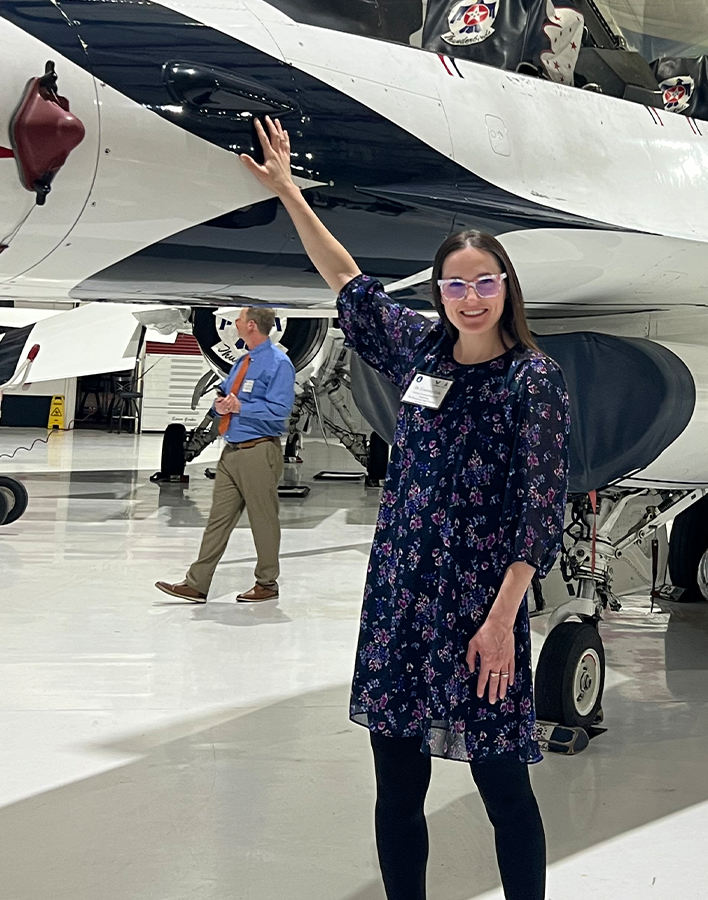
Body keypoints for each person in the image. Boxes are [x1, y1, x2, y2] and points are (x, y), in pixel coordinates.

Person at [240, 117, 569, 900]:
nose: (470, 298)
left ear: (507, 287)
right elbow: (346, 278)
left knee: (504, 787)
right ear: (438, 293)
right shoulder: (418, 350)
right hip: (400, 602)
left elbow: (539, 511)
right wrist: (289, 191)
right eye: (455, 284)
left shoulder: (534, 379)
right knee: (396, 788)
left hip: (481, 611)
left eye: (484, 282)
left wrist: (502, 623)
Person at [155, 307, 296, 601]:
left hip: (258, 451)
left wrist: (241, 407)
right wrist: (220, 405)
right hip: (231, 452)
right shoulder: (243, 361)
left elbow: (280, 411)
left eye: (239, 320)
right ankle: (196, 583)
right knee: (217, 521)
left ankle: (267, 584)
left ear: (252, 325)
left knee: (263, 520)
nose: (235, 323)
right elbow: (224, 393)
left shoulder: (279, 364)